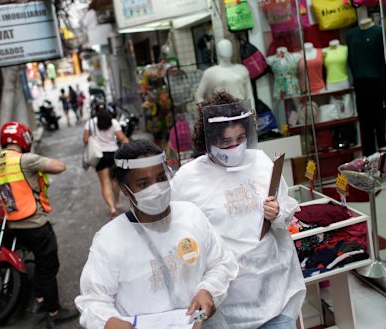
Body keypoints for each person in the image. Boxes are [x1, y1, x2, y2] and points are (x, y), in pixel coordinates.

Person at [171, 91, 306, 329]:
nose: (234, 147)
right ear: (208, 138)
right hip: (227, 300)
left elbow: (286, 208)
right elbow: (177, 235)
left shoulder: (261, 162)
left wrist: (278, 212)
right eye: (225, 141)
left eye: (240, 138)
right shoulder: (187, 179)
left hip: (274, 289)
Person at [75, 140, 239, 329]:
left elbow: (221, 262)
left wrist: (208, 290)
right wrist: (108, 321)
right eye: (143, 183)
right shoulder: (109, 240)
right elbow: (93, 299)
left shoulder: (192, 215)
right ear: (124, 189)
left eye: (161, 178)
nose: (155, 187)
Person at [0, 122, 78, 328]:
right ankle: (55, 311)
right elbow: (60, 166)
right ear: (24, 138)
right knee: (48, 266)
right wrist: (38, 161)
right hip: (36, 224)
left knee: (38, 261)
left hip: (14, 224)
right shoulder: (25, 160)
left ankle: (39, 299)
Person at [346, 18, 386, 155]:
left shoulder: (380, 31)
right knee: (365, 126)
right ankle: (368, 160)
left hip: (377, 82)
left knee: (380, 122)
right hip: (360, 84)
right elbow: (351, 62)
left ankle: (384, 160)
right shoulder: (351, 35)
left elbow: (385, 60)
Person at [83, 108, 129, 217]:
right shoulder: (113, 122)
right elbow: (122, 138)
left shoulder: (90, 123)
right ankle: (117, 202)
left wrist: (93, 136)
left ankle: (112, 207)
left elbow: (85, 140)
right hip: (113, 154)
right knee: (115, 181)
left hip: (100, 156)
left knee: (105, 183)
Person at [195, 39, 254, 109]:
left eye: (229, 47)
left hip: (241, 111)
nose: (226, 50)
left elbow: (249, 95)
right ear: (218, 51)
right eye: (223, 48)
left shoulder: (242, 69)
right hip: (220, 113)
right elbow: (198, 95)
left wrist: (253, 114)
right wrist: (206, 111)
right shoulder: (210, 72)